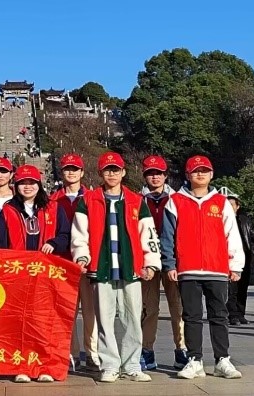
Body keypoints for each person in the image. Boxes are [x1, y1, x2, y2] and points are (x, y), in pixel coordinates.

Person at [71, 152, 158, 384]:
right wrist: (82, 256)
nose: (112, 174)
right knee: (105, 320)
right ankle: (109, 365)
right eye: (108, 170)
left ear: (123, 172)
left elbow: (148, 234)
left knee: (133, 319)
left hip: (131, 268)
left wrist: (151, 262)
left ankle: (132, 365)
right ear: (100, 173)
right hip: (102, 268)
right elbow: (79, 234)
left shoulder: (136, 201)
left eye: (116, 169)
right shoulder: (88, 200)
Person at [161, 155, 244, 381]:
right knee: (191, 316)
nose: (200, 174)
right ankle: (195, 359)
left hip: (217, 268)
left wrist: (236, 264)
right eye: (195, 171)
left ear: (211, 174)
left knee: (219, 315)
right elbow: (167, 236)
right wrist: (169, 263)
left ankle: (222, 359)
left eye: (204, 171)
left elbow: (232, 234)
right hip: (187, 269)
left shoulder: (221, 202)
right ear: (187, 175)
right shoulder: (175, 201)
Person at [0, 164, 70, 383]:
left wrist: (54, 243)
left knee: (45, 320)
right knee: (20, 321)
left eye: (32, 183)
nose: (27, 187)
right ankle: (22, 366)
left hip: (46, 274)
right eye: (22, 183)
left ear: (39, 184)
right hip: (19, 274)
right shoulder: (8, 210)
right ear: (16, 185)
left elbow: (65, 234)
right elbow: (1, 245)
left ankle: (45, 365)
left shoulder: (54, 207)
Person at [139, 155, 186, 371]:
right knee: (149, 307)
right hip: (148, 260)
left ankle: (182, 349)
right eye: (150, 173)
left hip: (173, 259)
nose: (155, 177)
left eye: (158, 173)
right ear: (144, 176)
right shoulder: (138, 200)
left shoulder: (177, 199)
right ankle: (147, 350)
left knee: (178, 306)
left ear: (166, 176)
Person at [54, 153, 99, 373]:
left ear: (82, 172)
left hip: (88, 263)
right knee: (67, 310)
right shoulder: (53, 200)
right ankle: (71, 352)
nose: (71, 173)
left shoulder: (93, 198)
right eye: (67, 169)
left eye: (75, 169)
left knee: (91, 310)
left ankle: (92, 353)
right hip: (63, 263)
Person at [225, 191, 253, 327]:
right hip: (229, 259)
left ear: (237, 206)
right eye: (227, 205)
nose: (229, 207)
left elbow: (252, 235)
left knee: (243, 288)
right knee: (231, 289)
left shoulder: (244, 220)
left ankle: (241, 314)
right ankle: (232, 315)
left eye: (232, 205)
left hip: (245, 258)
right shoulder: (222, 220)